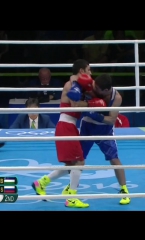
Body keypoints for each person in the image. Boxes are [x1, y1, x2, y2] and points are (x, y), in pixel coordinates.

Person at [32, 59, 106, 208]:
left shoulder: (79, 84)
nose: (91, 73)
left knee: (71, 164)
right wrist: (92, 104)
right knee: (79, 162)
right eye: (89, 70)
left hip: (69, 126)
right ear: (81, 71)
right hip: (66, 125)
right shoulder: (71, 84)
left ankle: (41, 183)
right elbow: (75, 104)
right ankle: (72, 197)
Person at [63, 73, 131, 205]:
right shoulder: (92, 86)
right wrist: (87, 103)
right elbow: (73, 79)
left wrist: (95, 114)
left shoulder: (116, 97)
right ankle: (71, 187)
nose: (94, 90)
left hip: (104, 130)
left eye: (97, 89)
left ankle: (124, 190)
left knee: (114, 158)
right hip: (87, 126)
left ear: (106, 90)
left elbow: (111, 120)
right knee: (78, 159)